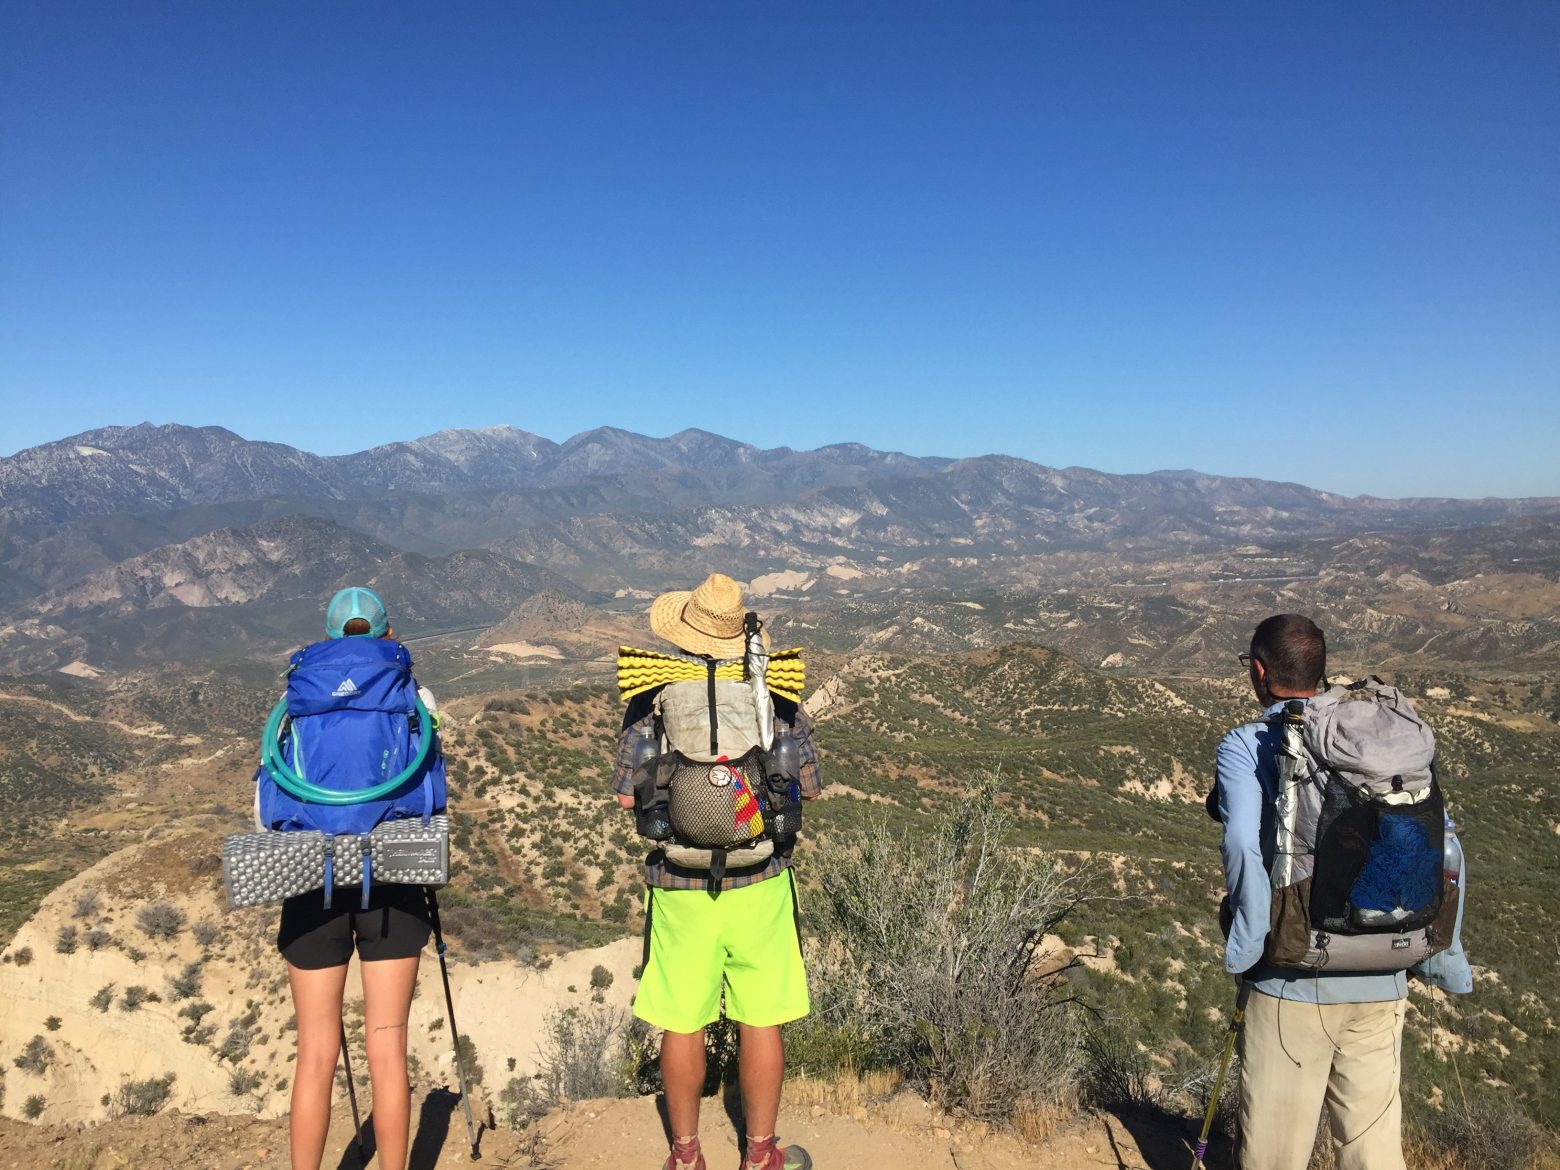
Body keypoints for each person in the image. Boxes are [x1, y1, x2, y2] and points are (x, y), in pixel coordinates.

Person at [1213, 613, 1470, 1170]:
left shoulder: (1249, 743)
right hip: (1384, 976)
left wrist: (1248, 945)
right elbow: (1445, 842)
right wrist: (1444, 954)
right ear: (1320, 672)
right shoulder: (1379, 743)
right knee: (1374, 1152)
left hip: (1292, 982)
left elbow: (1241, 843)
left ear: (1259, 673)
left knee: (1275, 1155)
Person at [612, 573, 823, 1170]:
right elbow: (807, 784)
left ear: (684, 632)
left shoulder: (651, 694)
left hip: (679, 883)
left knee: (682, 1022)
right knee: (761, 1018)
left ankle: (685, 1157)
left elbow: (629, 798)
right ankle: (760, 1155)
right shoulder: (774, 690)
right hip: (760, 880)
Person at [273, 587, 437, 1170]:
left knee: (315, 1052)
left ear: (330, 635)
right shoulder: (412, 694)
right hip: (392, 874)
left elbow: (269, 801)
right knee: (387, 1046)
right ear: (387, 635)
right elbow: (432, 789)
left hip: (311, 877)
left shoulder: (298, 697)